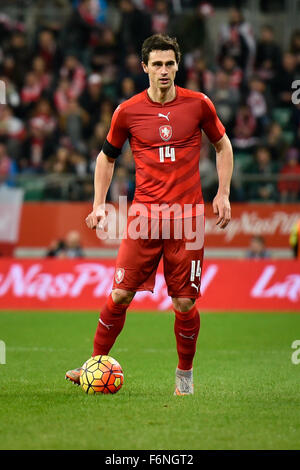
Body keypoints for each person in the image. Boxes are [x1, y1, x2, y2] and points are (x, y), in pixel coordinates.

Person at [65, 34, 233, 395]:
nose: (164, 71)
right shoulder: (127, 111)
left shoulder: (199, 104)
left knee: (184, 302)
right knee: (121, 293)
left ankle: (184, 378)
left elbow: (223, 144)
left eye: (169, 64)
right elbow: (105, 157)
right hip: (143, 217)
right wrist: (99, 203)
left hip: (188, 220)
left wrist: (223, 192)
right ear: (144, 67)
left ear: (178, 66)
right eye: (156, 64)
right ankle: (93, 363)